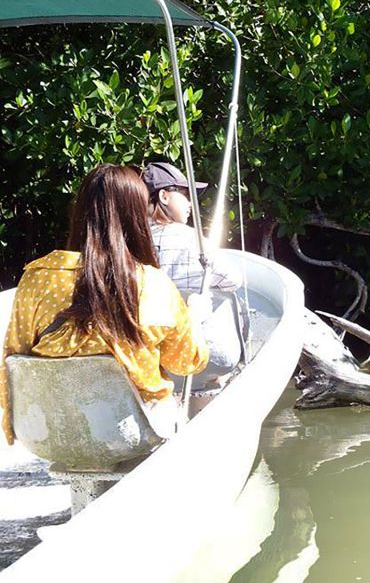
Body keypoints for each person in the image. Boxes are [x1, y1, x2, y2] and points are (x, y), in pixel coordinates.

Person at [0, 163, 210, 445]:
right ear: (136, 216)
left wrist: (10, 425)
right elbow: (188, 362)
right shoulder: (151, 283)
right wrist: (193, 318)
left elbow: (14, 355)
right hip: (132, 434)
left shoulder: (37, 278)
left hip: (47, 435)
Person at [142, 159, 244, 384]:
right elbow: (233, 280)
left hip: (149, 354)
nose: (191, 203)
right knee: (228, 295)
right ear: (164, 196)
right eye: (185, 195)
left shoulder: (130, 241)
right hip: (198, 350)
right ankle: (223, 376)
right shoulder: (189, 237)